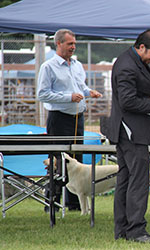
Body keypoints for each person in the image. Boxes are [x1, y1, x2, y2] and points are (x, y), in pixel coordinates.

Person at [108, 29, 150, 243]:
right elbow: (127, 101)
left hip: (130, 131)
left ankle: (123, 229)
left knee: (126, 179)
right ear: (141, 46)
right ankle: (136, 231)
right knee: (139, 181)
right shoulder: (127, 66)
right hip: (131, 132)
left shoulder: (132, 61)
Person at [37, 28, 102, 211]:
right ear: (58, 44)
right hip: (59, 119)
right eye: (69, 44)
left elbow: (80, 88)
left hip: (77, 119)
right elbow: (42, 94)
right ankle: (53, 203)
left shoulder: (77, 65)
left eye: (74, 43)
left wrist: (89, 93)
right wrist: (68, 97)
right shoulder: (48, 66)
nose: (73, 47)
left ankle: (73, 203)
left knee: (76, 160)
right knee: (58, 161)